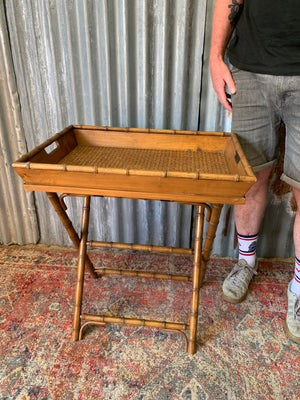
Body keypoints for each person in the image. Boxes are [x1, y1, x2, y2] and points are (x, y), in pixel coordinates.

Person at [209, 0, 300, 343]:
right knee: (249, 178)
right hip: (248, 69)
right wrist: (216, 56)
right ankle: (246, 263)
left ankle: (299, 287)